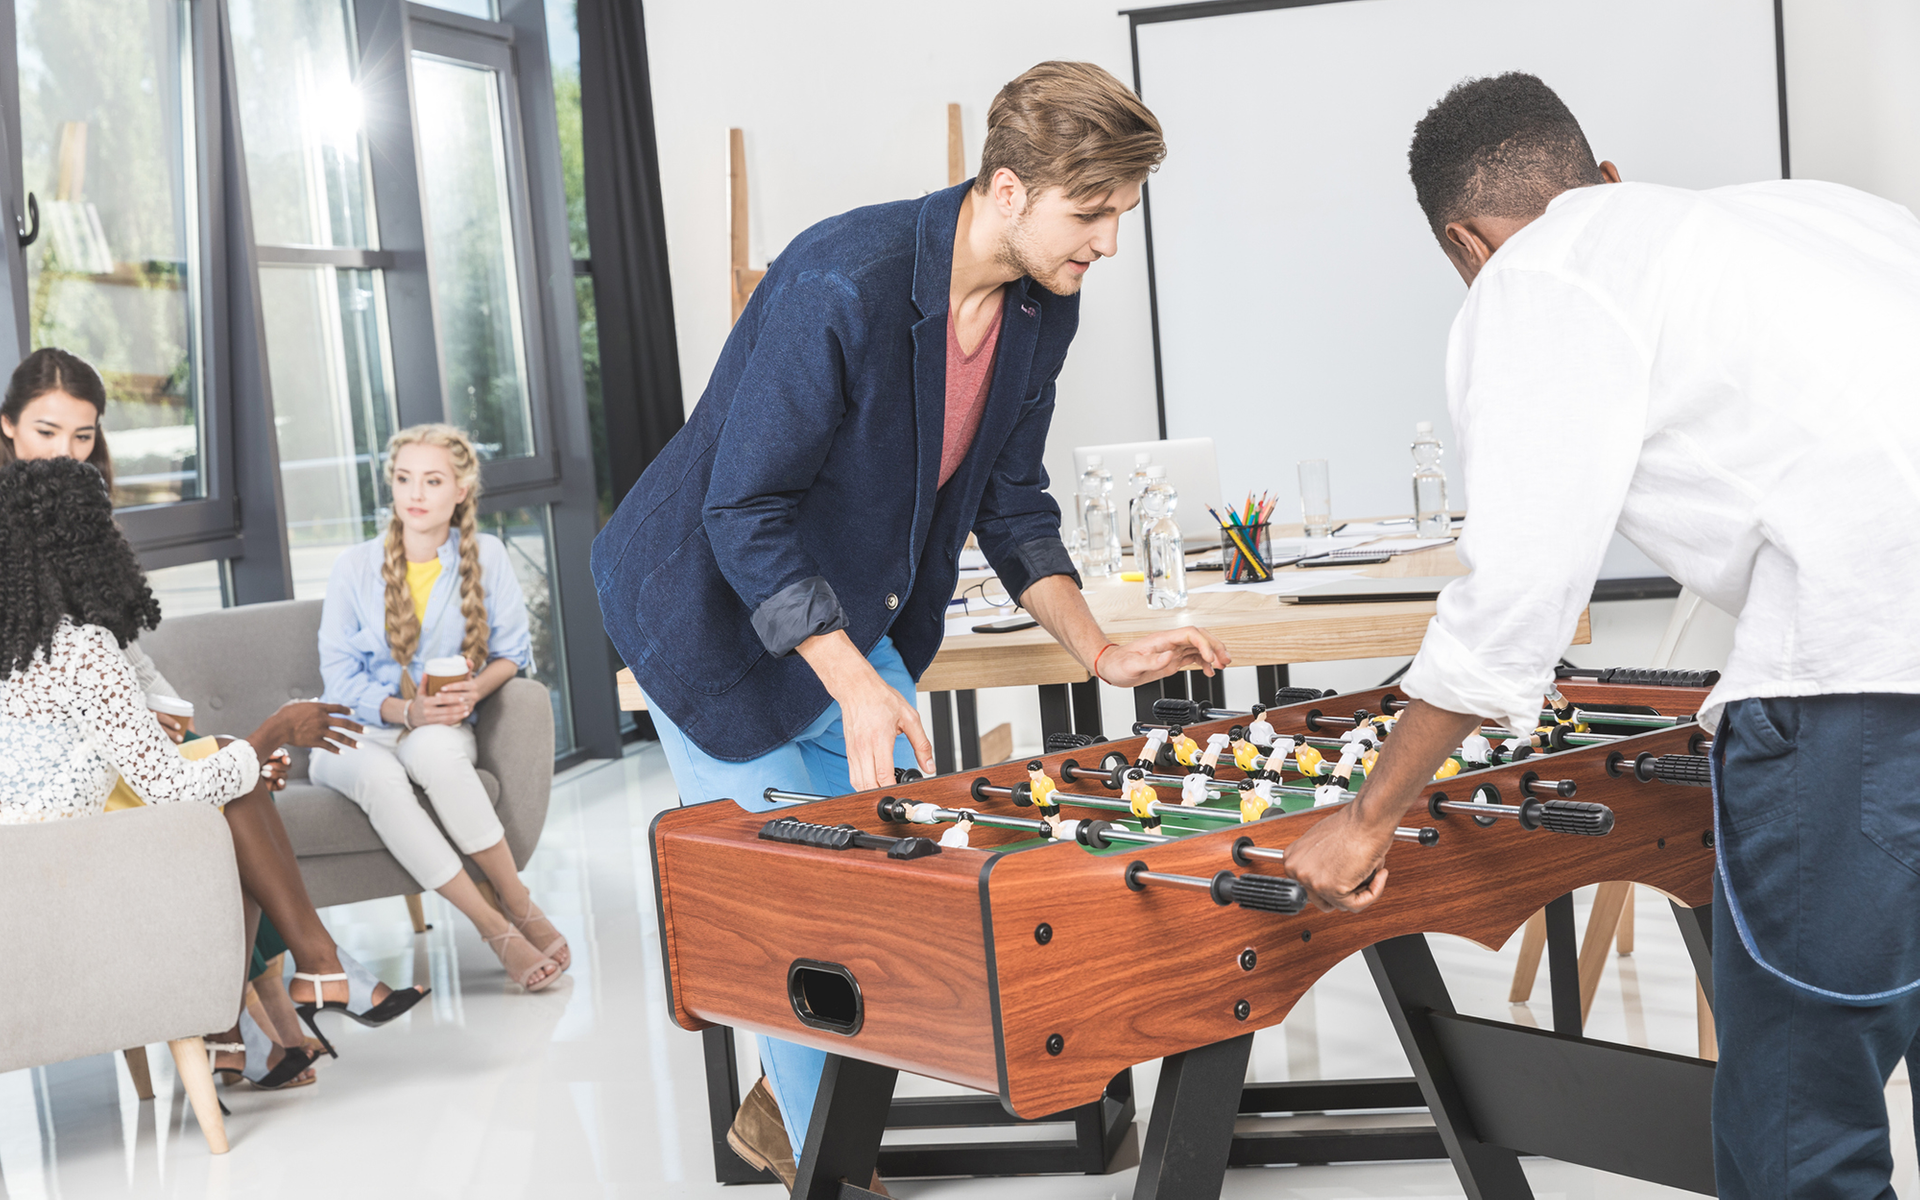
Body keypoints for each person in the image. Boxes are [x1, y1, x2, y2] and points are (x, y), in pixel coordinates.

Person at [1279, 72, 1920, 1198]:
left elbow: (1517, 595)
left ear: (1466, 243)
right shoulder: (1815, 212)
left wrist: (1368, 817)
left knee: (1798, 1113)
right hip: (1880, 665)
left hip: (1860, 687)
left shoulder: (1536, 275)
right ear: (1603, 176)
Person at [593, 60, 1232, 1190]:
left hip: (847, 601)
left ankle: (786, 1112)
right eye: (1091, 215)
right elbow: (740, 510)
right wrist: (851, 678)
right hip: (703, 608)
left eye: (1120, 216)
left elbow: (1009, 497)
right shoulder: (845, 280)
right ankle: (834, 1166)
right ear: (1004, 190)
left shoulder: (1043, 305)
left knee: (898, 887)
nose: (1107, 245)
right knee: (803, 908)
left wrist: (1101, 648)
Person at [0, 456, 428, 1079]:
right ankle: (307, 975)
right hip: (76, 878)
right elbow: (172, 790)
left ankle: (249, 1027)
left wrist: (240, 756)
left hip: (27, 876)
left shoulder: (20, 643)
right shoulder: (80, 649)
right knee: (228, 789)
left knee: (227, 766)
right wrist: (274, 733)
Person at [313, 424, 566, 993]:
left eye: (432, 480)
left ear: (461, 489)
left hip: (445, 721)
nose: (415, 494)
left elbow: (511, 654)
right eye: (404, 479)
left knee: (439, 757)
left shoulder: (488, 556)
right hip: (353, 728)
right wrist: (405, 712)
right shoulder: (353, 567)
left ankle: (519, 902)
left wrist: (472, 693)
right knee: (380, 777)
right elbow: (337, 678)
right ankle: (495, 929)